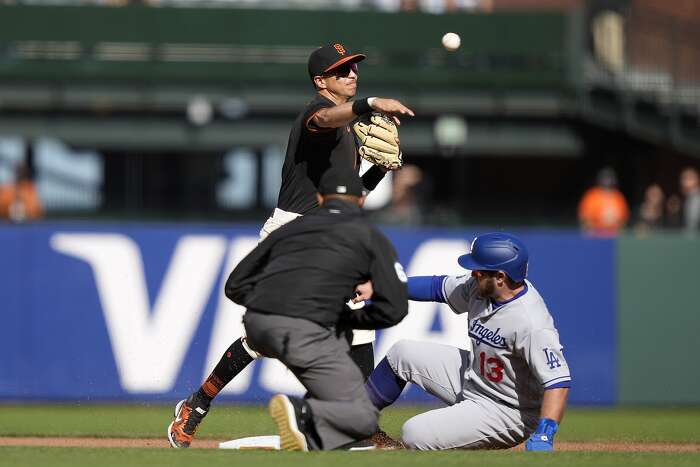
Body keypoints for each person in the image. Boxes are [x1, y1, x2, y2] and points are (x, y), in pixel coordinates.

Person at [167, 43, 414, 449]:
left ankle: (363, 427)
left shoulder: (350, 132)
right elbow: (324, 118)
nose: (352, 74)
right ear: (322, 81)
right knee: (265, 339)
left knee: (360, 327)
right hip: (292, 235)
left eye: (353, 67)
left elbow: (351, 199)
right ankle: (198, 402)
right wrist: (369, 104)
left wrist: (375, 175)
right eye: (342, 71)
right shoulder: (316, 113)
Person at [225, 167, 408, 451]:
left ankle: (315, 437)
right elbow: (394, 309)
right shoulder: (369, 236)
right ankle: (304, 412)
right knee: (363, 418)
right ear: (361, 200)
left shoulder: (290, 230)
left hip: (258, 323)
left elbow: (234, 285)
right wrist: (347, 318)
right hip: (307, 329)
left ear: (320, 198)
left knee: (335, 389)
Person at [363, 232, 571, 451]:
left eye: (478, 270)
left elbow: (558, 382)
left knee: (414, 433)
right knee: (401, 353)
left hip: (507, 410)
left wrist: (545, 433)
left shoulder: (531, 322)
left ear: (500, 277)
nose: (473, 273)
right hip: (475, 377)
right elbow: (437, 287)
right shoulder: (482, 287)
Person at [578, 167, 629, 236]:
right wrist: (589, 229)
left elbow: (624, 219)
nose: (607, 181)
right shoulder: (592, 195)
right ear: (600, 179)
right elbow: (584, 217)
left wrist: (619, 230)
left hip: (614, 233)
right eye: (604, 178)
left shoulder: (618, 196)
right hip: (596, 232)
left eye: (609, 178)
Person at [679, 167, 700, 234]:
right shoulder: (689, 198)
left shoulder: (696, 199)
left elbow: (692, 224)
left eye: (688, 178)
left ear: (697, 180)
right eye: (683, 179)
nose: (683, 182)